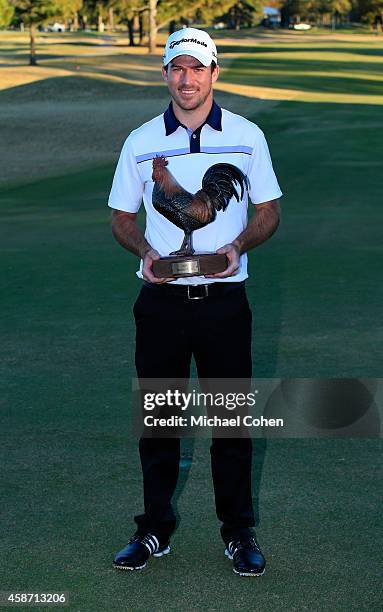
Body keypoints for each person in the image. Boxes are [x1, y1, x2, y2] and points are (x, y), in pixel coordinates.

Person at [108, 27, 282, 577]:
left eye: (197, 68)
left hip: (224, 302)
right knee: (157, 422)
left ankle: (238, 532)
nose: (187, 79)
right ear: (165, 74)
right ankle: (154, 529)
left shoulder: (248, 136)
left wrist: (236, 245)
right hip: (159, 304)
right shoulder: (139, 141)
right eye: (177, 68)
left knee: (231, 423)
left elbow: (269, 211)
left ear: (213, 73)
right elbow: (121, 216)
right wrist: (143, 252)